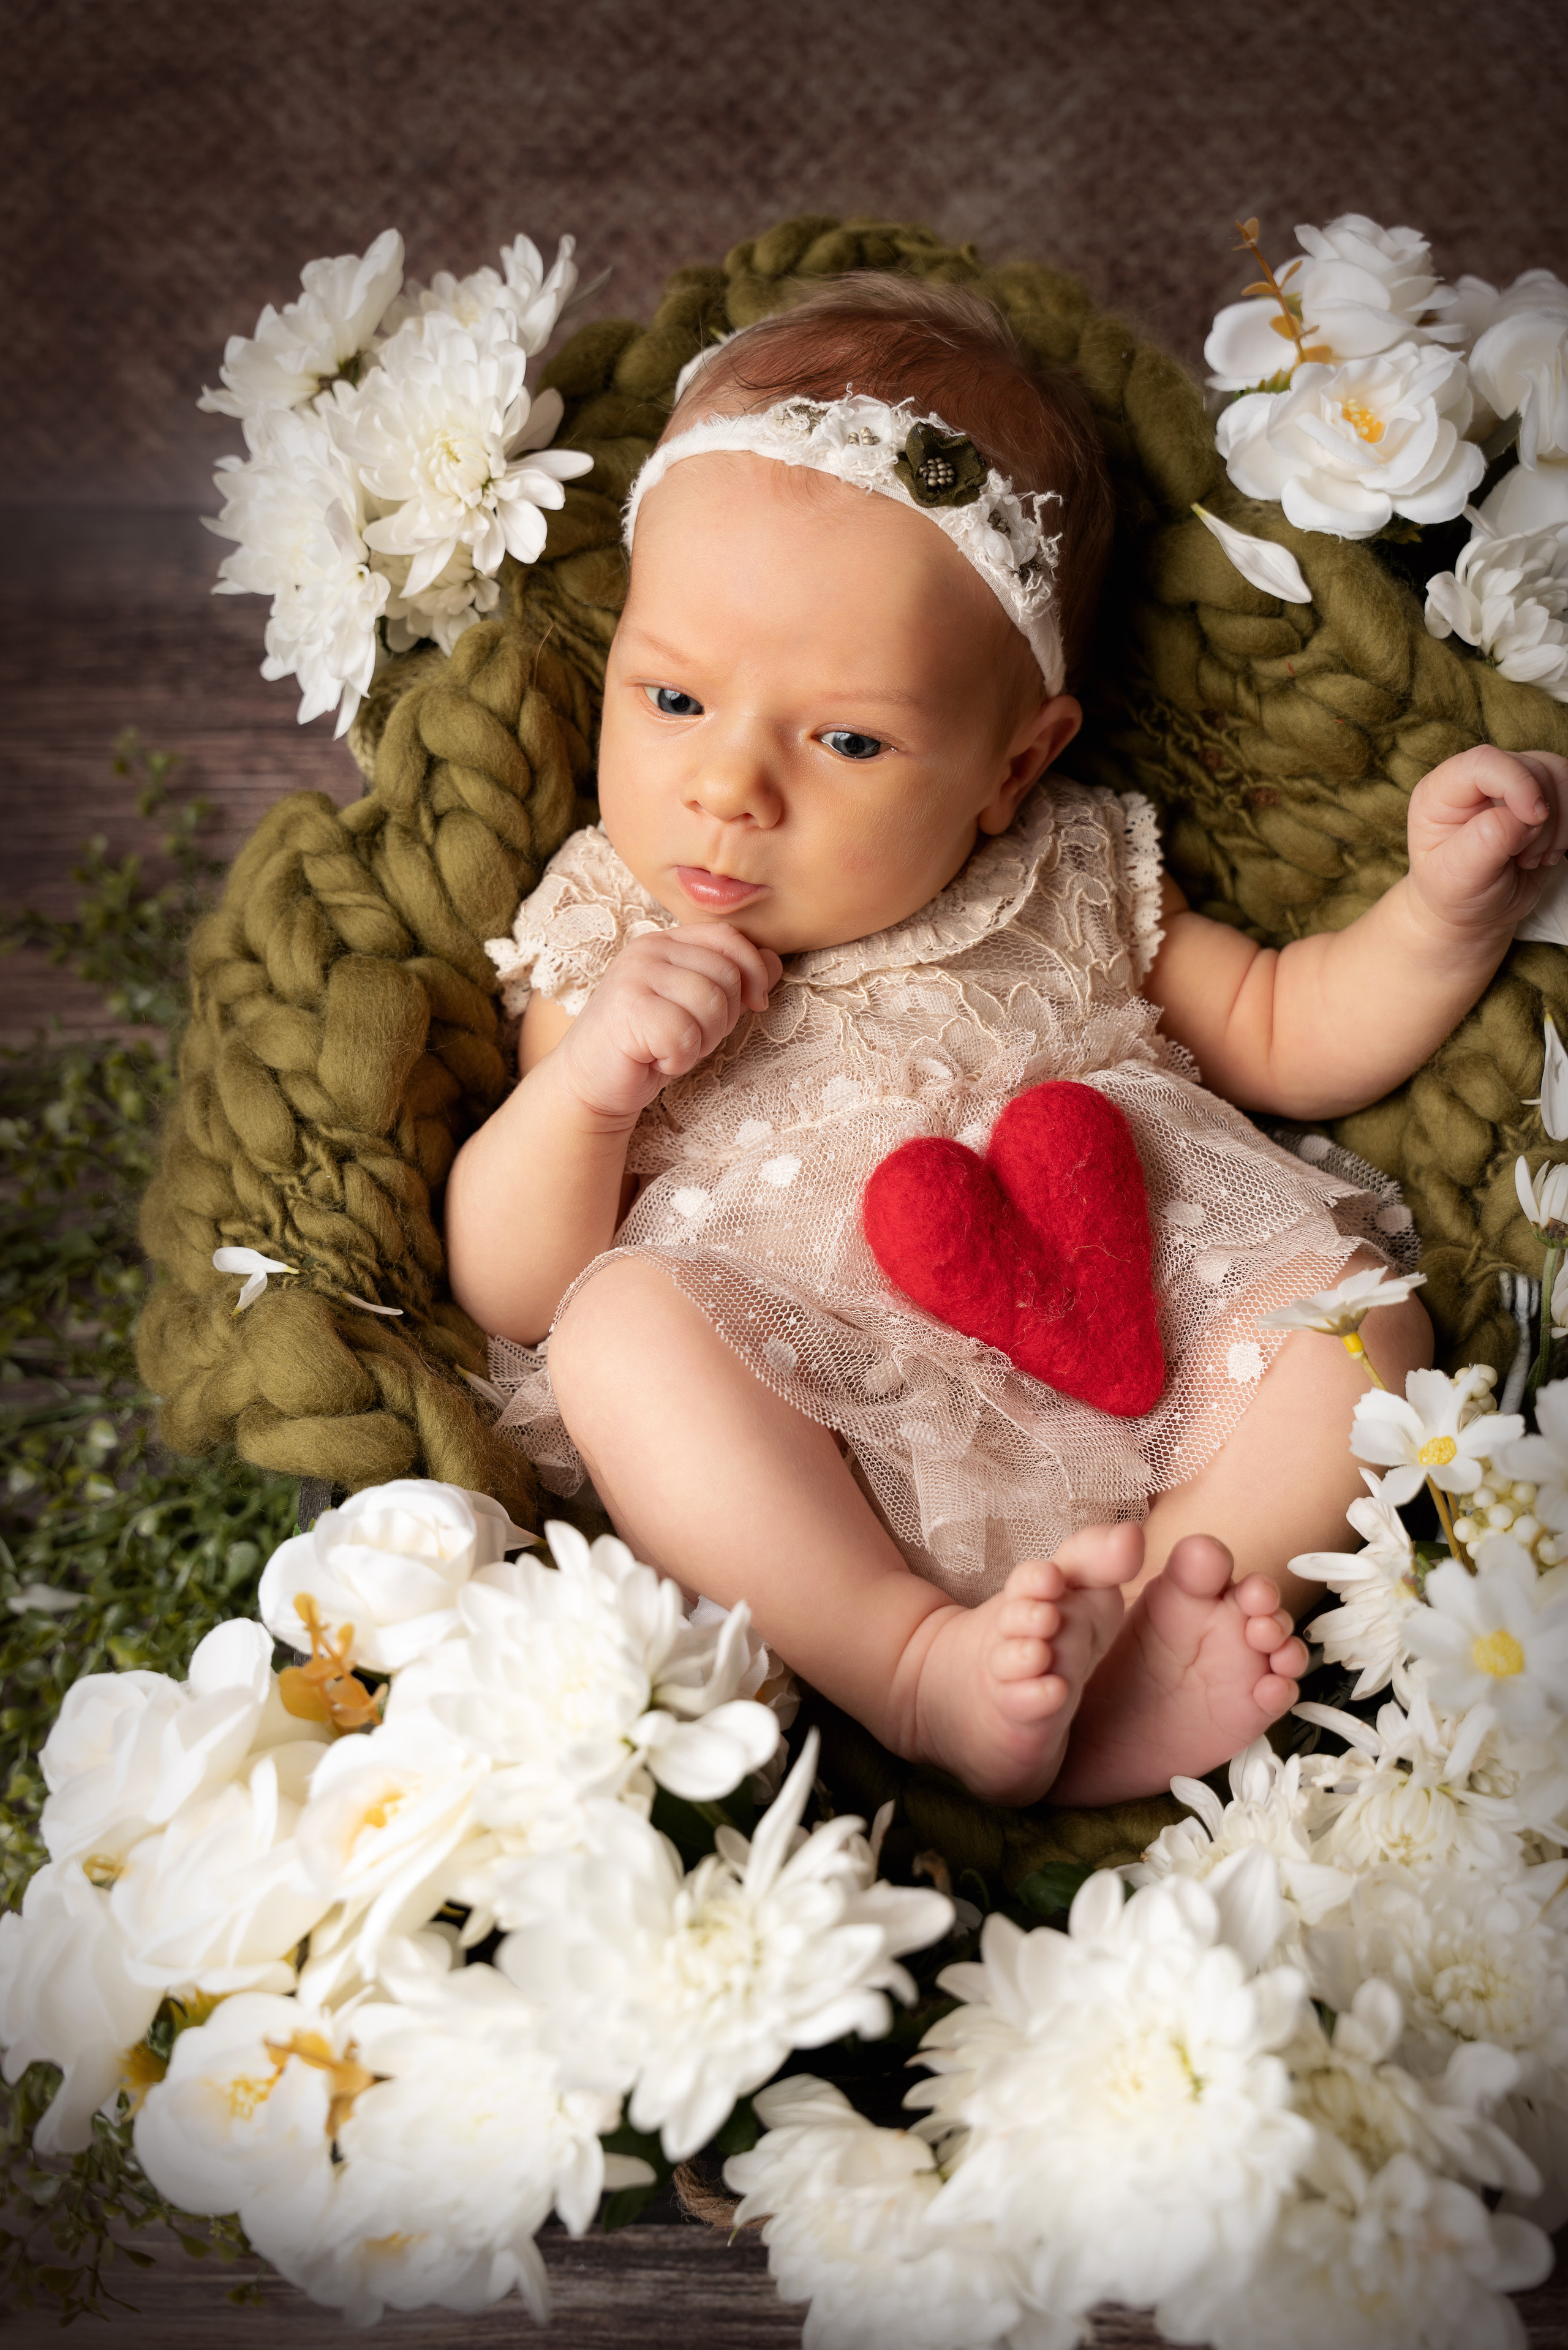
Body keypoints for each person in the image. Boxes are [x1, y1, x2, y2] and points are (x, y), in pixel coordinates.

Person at [445, 277, 1568, 1807]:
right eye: (673, 695)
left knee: (1358, 1323)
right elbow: (515, 1280)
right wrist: (587, 1088)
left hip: (1152, 1345)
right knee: (615, 1334)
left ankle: (1163, 1617)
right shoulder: (605, 926)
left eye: (844, 739)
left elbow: (1290, 1032)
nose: (727, 787)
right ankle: (910, 1664)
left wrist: (1440, 916)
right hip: (816, 1408)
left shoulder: (1074, 864)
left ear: (1011, 761)